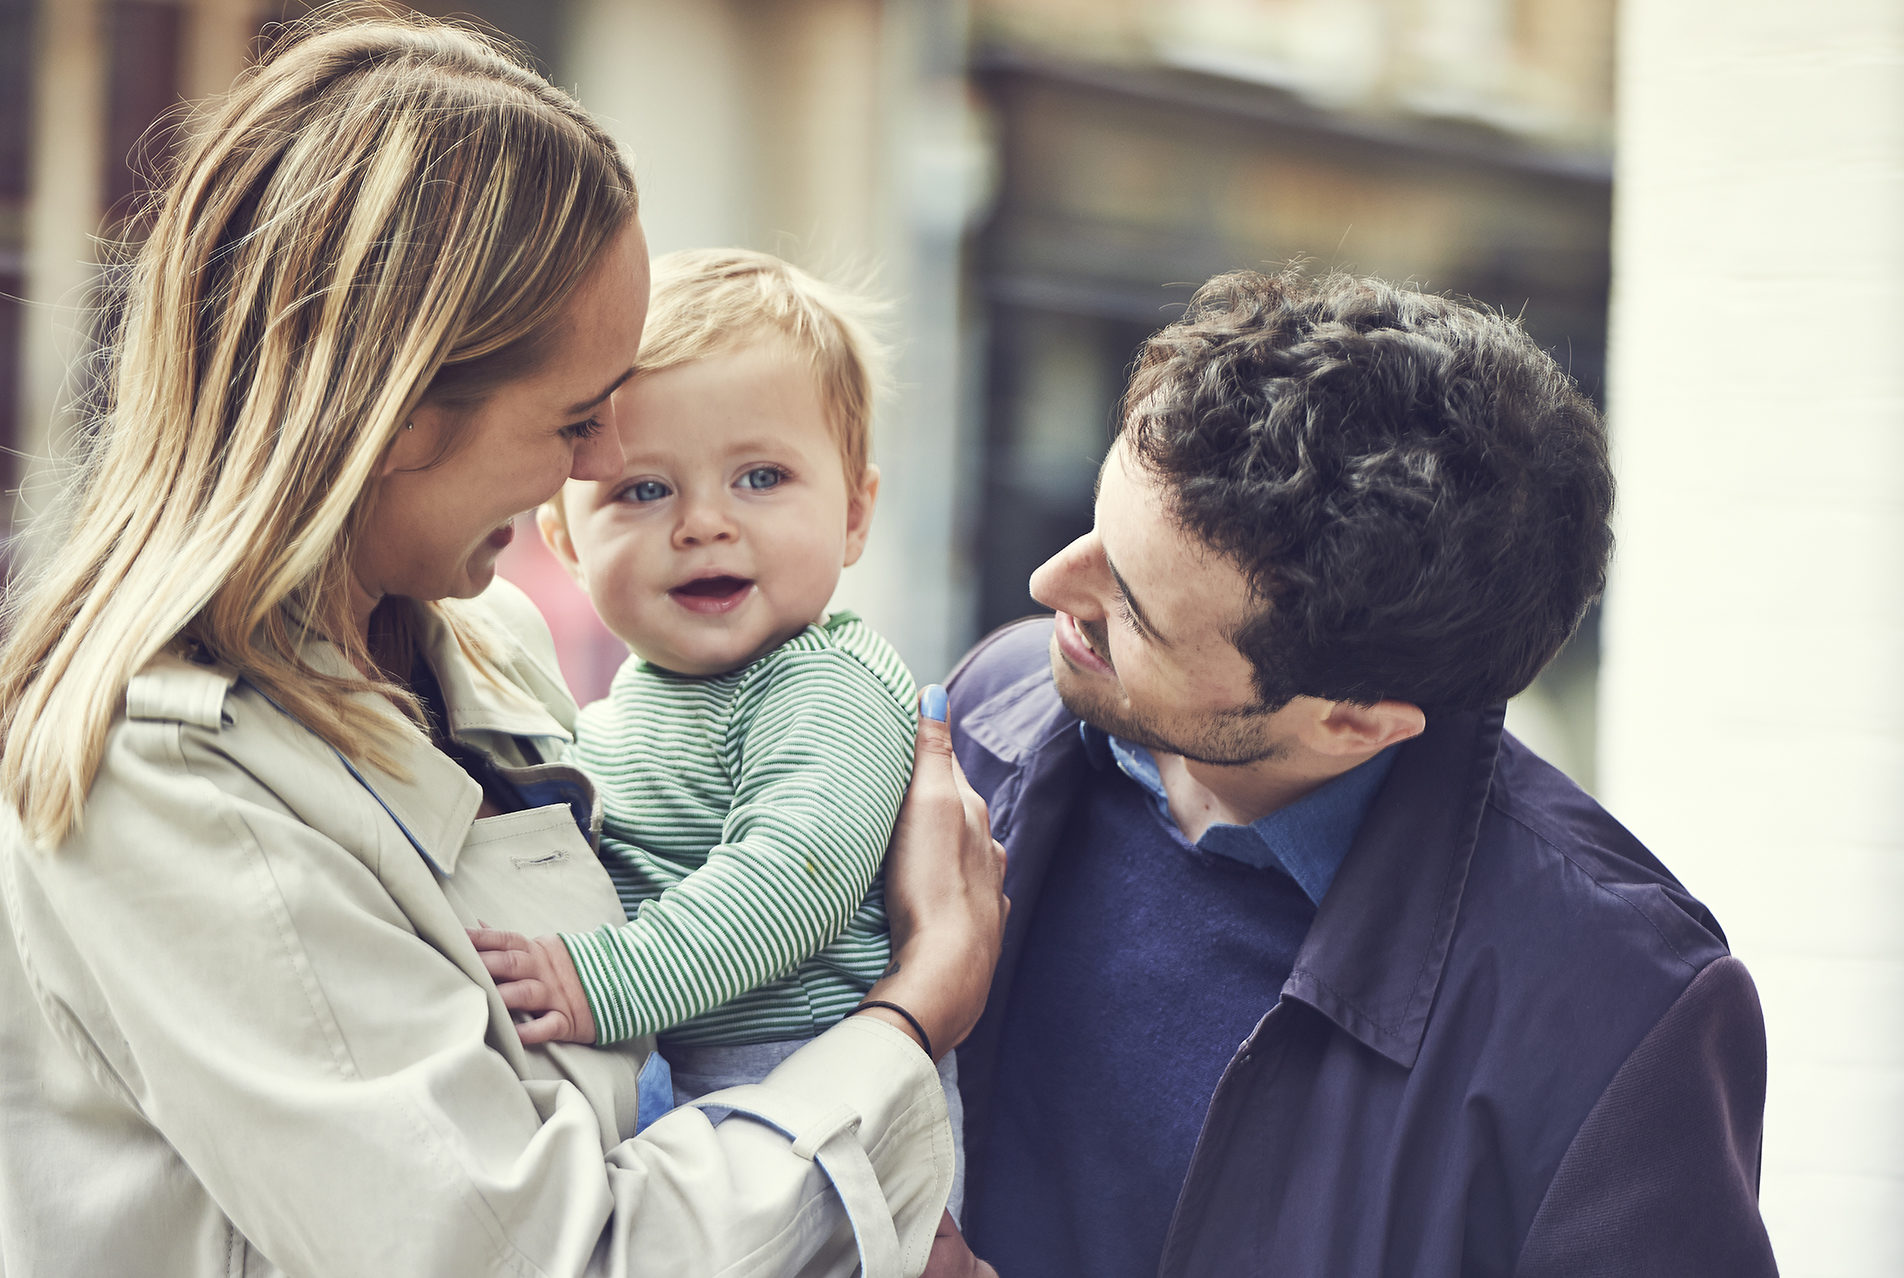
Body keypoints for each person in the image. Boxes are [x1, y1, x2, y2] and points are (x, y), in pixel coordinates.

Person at [0, 14, 1003, 1278]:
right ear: (400, 413)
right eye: (577, 420)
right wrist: (921, 1005)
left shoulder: (492, 652)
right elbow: (543, 1254)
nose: (595, 468)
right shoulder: (158, 788)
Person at [947, 268, 1776, 1277]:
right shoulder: (992, 713)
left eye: (1133, 607)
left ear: (1353, 722)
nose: (1048, 588)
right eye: (1100, 528)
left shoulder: (1619, 1017)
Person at [469, 249, 967, 1216]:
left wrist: (596, 981)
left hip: (827, 1082)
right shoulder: (611, 717)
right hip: (681, 1078)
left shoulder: (828, 682)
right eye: (644, 491)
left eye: (761, 477)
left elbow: (790, 881)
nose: (703, 523)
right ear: (566, 542)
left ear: (856, 512)